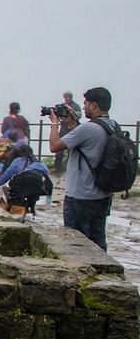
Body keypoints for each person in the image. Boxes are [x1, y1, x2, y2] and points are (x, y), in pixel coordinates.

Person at [48, 87, 115, 250]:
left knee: (76, 245)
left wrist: (55, 123)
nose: (83, 107)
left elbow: (54, 146)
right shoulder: (112, 126)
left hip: (80, 197)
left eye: (85, 103)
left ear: (94, 105)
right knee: (98, 241)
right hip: (102, 195)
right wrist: (71, 122)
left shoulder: (88, 128)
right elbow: (83, 142)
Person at [52, 91, 83, 174]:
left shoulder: (75, 106)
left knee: (71, 149)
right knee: (59, 148)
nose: (66, 99)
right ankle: (58, 168)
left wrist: (71, 111)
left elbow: (78, 116)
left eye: (67, 97)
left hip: (72, 128)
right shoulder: (62, 106)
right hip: (63, 128)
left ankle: (70, 168)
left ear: (71, 97)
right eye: (65, 97)